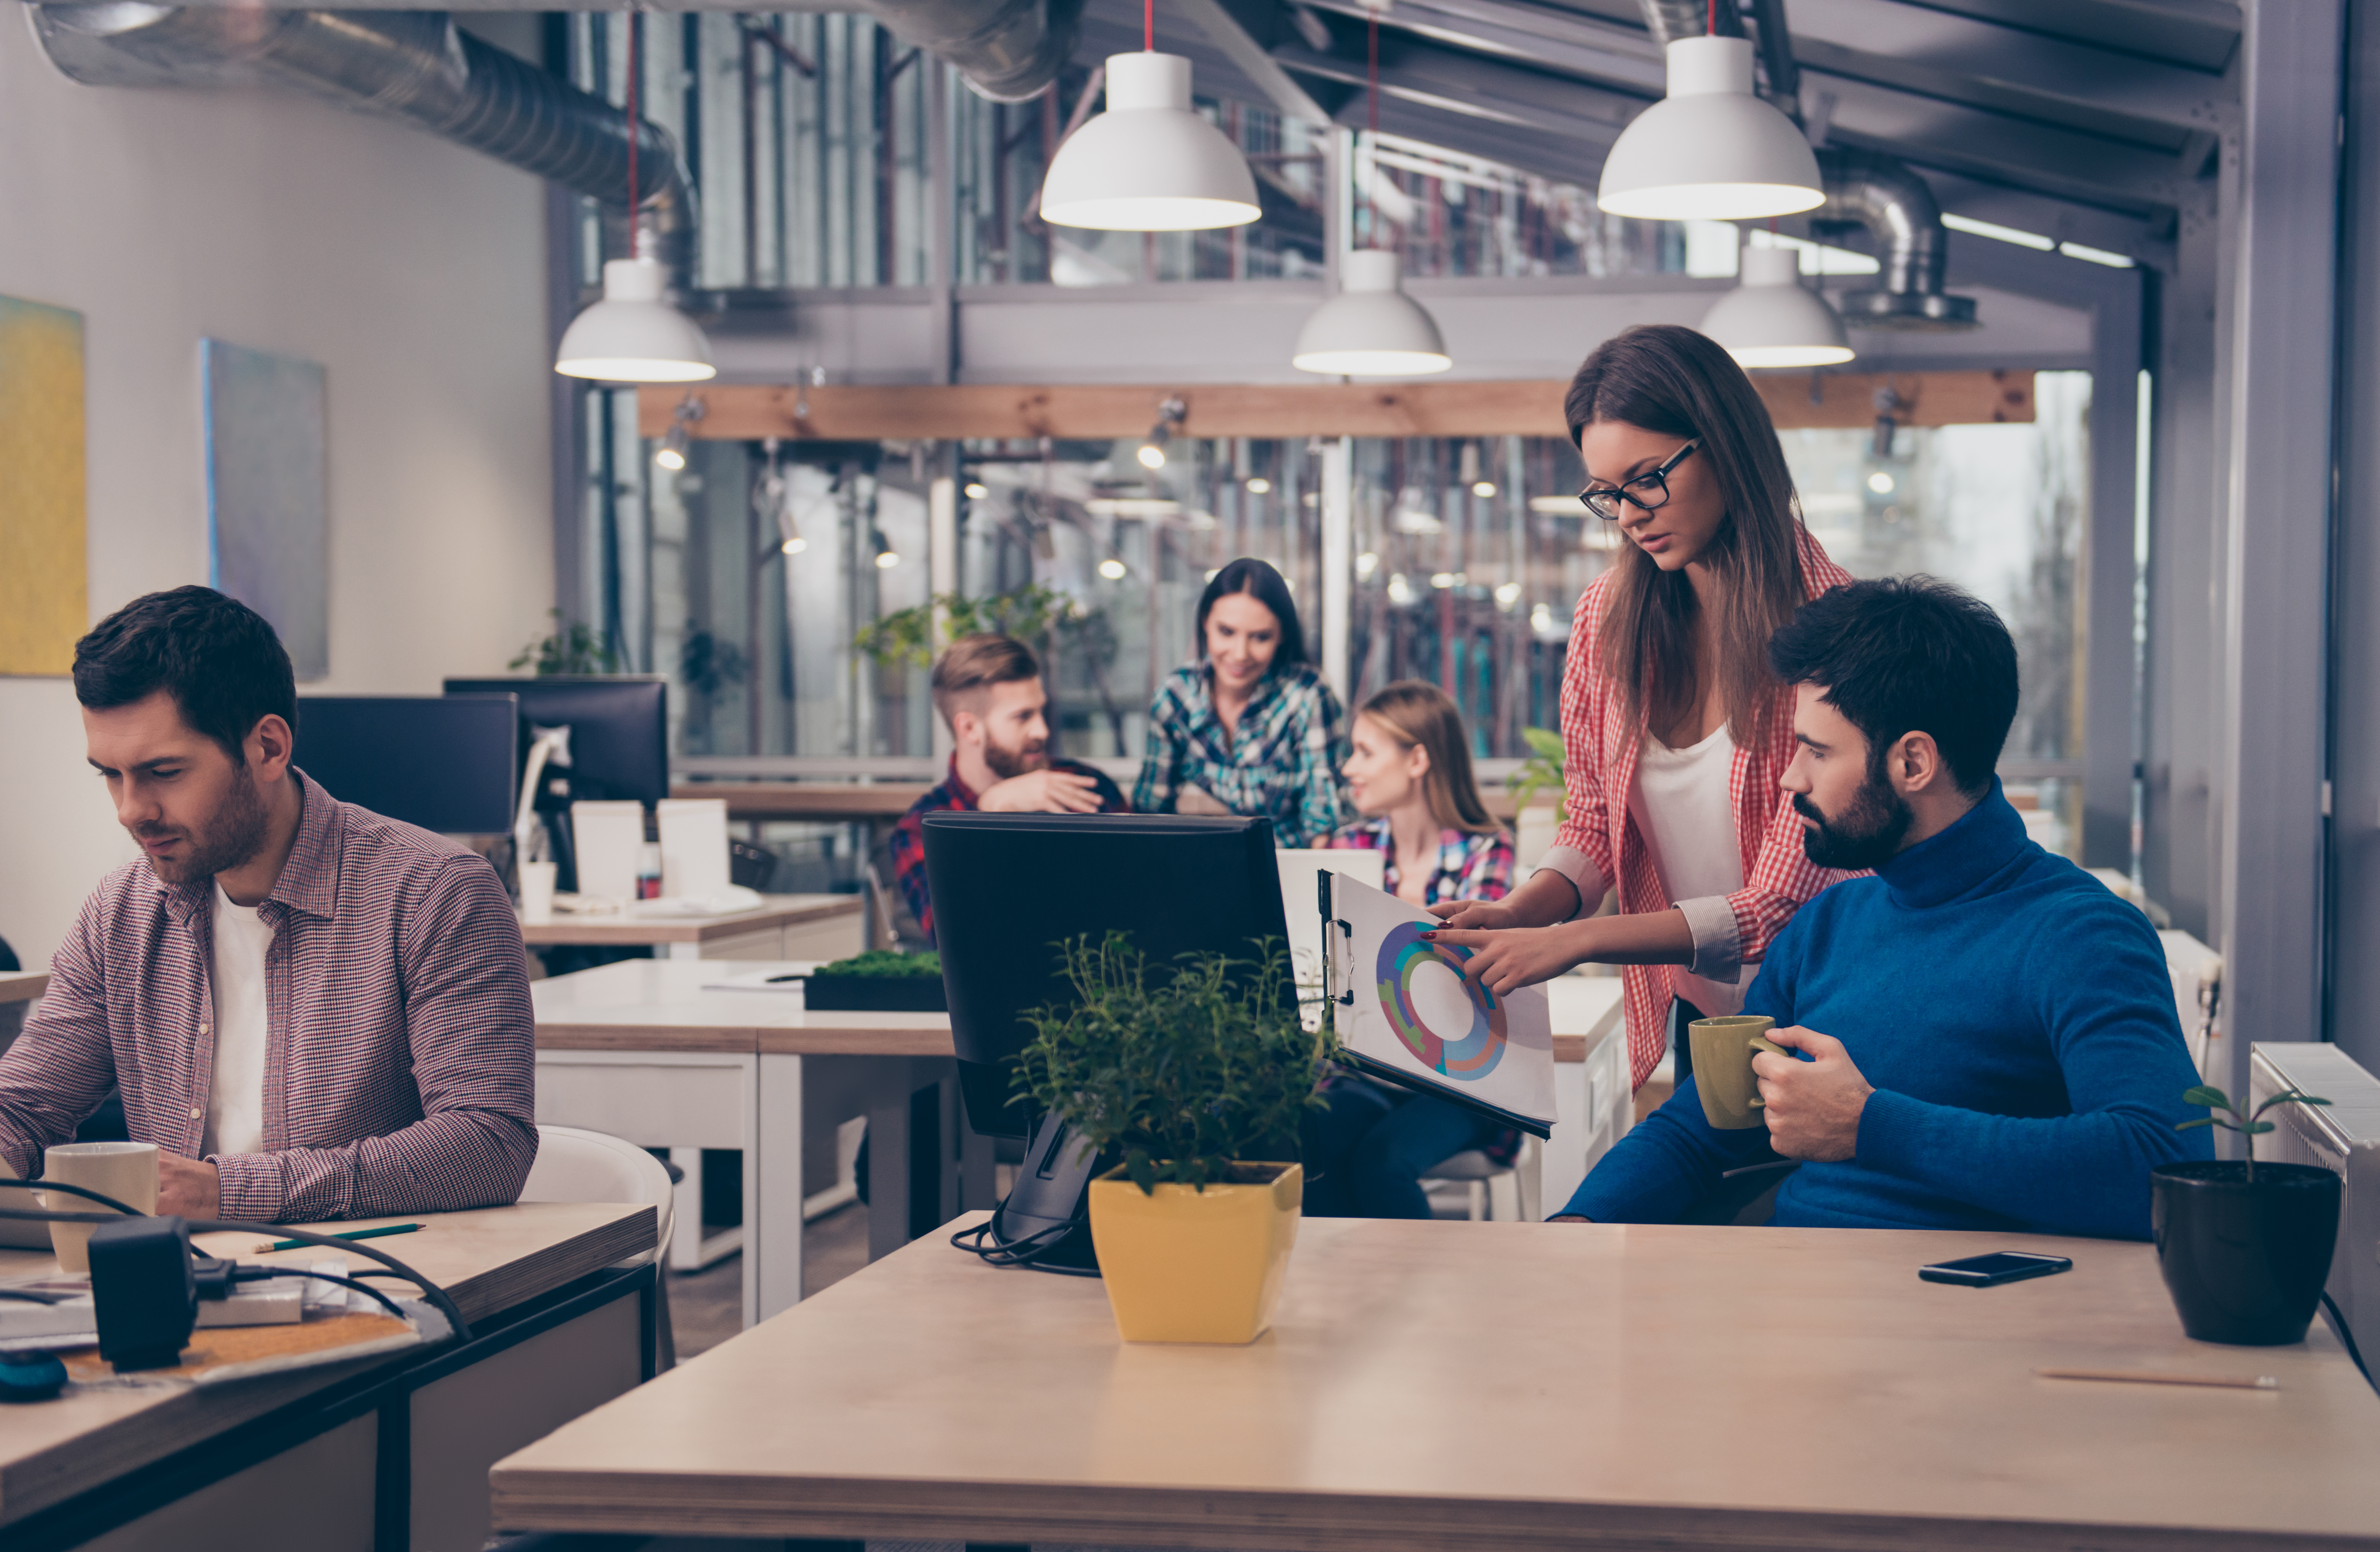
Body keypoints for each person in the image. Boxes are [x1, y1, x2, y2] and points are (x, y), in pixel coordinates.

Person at [1555, 578, 2209, 1237]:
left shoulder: (2082, 935)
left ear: (1914, 762)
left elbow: (2162, 1166)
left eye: (1817, 751)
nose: (1792, 779)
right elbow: (1695, 1137)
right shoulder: (1828, 926)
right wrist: (1573, 1228)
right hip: (1797, 1302)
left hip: (1973, 1313)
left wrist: (1870, 1125)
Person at [0, 587, 537, 1223]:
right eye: (110, 775)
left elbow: (488, 1143)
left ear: (269, 748)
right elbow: (23, 1107)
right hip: (179, 1287)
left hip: (381, 1282)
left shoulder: (434, 893)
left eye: (164, 772)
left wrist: (225, 1193)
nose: (130, 811)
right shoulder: (121, 913)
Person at [1427, 324, 1857, 1094]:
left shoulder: (1839, 626)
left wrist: (1577, 940)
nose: (1626, 513)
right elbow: (1595, 822)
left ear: (1724, 443)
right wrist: (1525, 911)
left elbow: (1778, 905)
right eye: (1606, 492)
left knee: (1802, 1212)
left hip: (1829, 1011)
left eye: (1647, 478)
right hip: (1703, 1005)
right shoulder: (1605, 617)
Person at [1302, 682, 1516, 1219]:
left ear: (1417, 758)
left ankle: (1417, 1301)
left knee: (1380, 1163)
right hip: (1365, 1074)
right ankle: (1339, 1295)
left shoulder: (1485, 853)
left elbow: (1461, 982)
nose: (1349, 768)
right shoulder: (1346, 849)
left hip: (1459, 1084)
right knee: (1313, 1147)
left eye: (1365, 752)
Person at [889, 633, 1129, 944]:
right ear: (969, 728)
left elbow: (1143, 902)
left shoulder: (1087, 788)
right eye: (1022, 717)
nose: (1042, 730)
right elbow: (958, 942)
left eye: (1040, 711)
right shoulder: (923, 829)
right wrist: (992, 814)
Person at [1133, 557, 1349, 849]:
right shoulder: (1175, 698)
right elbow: (1150, 811)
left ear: (1282, 635)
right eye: (1226, 632)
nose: (1239, 653)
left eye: (1260, 637)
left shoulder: (1308, 696)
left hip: (1296, 868)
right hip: (1220, 865)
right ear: (1205, 622)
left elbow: (1322, 825)